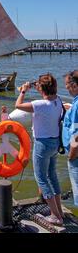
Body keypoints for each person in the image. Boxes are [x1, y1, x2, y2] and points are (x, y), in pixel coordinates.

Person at [15, 73, 64, 226]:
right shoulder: (58, 101)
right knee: (52, 176)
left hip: (42, 144)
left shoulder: (39, 105)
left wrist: (23, 91)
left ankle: (56, 216)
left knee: (41, 178)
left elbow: (18, 105)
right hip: (55, 143)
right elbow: (47, 96)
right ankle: (59, 211)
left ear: (42, 88)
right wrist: (37, 86)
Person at [62, 70, 78, 207]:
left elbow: (77, 134)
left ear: (75, 85)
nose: (66, 89)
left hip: (76, 157)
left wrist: (71, 155)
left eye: (67, 86)